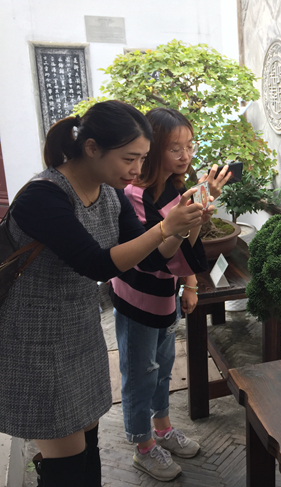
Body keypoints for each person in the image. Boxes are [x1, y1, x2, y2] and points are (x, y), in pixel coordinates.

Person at [0, 101, 211, 487]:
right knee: (67, 462)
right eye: (130, 158)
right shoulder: (43, 196)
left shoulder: (111, 195)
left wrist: (183, 224)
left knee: (89, 445)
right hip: (34, 342)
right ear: (92, 147)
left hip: (80, 332)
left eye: (143, 158)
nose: (137, 170)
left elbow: (150, 259)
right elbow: (96, 264)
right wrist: (165, 228)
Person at [110, 107, 231, 481]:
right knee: (139, 374)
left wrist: (198, 213)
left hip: (166, 296)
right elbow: (154, 257)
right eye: (175, 148)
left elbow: (184, 249)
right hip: (137, 299)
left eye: (190, 146)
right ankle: (143, 445)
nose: (186, 155)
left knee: (163, 368)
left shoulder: (176, 189)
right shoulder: (133, 195)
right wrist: (180, 223)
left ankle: (162, 428)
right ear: (153, 147)